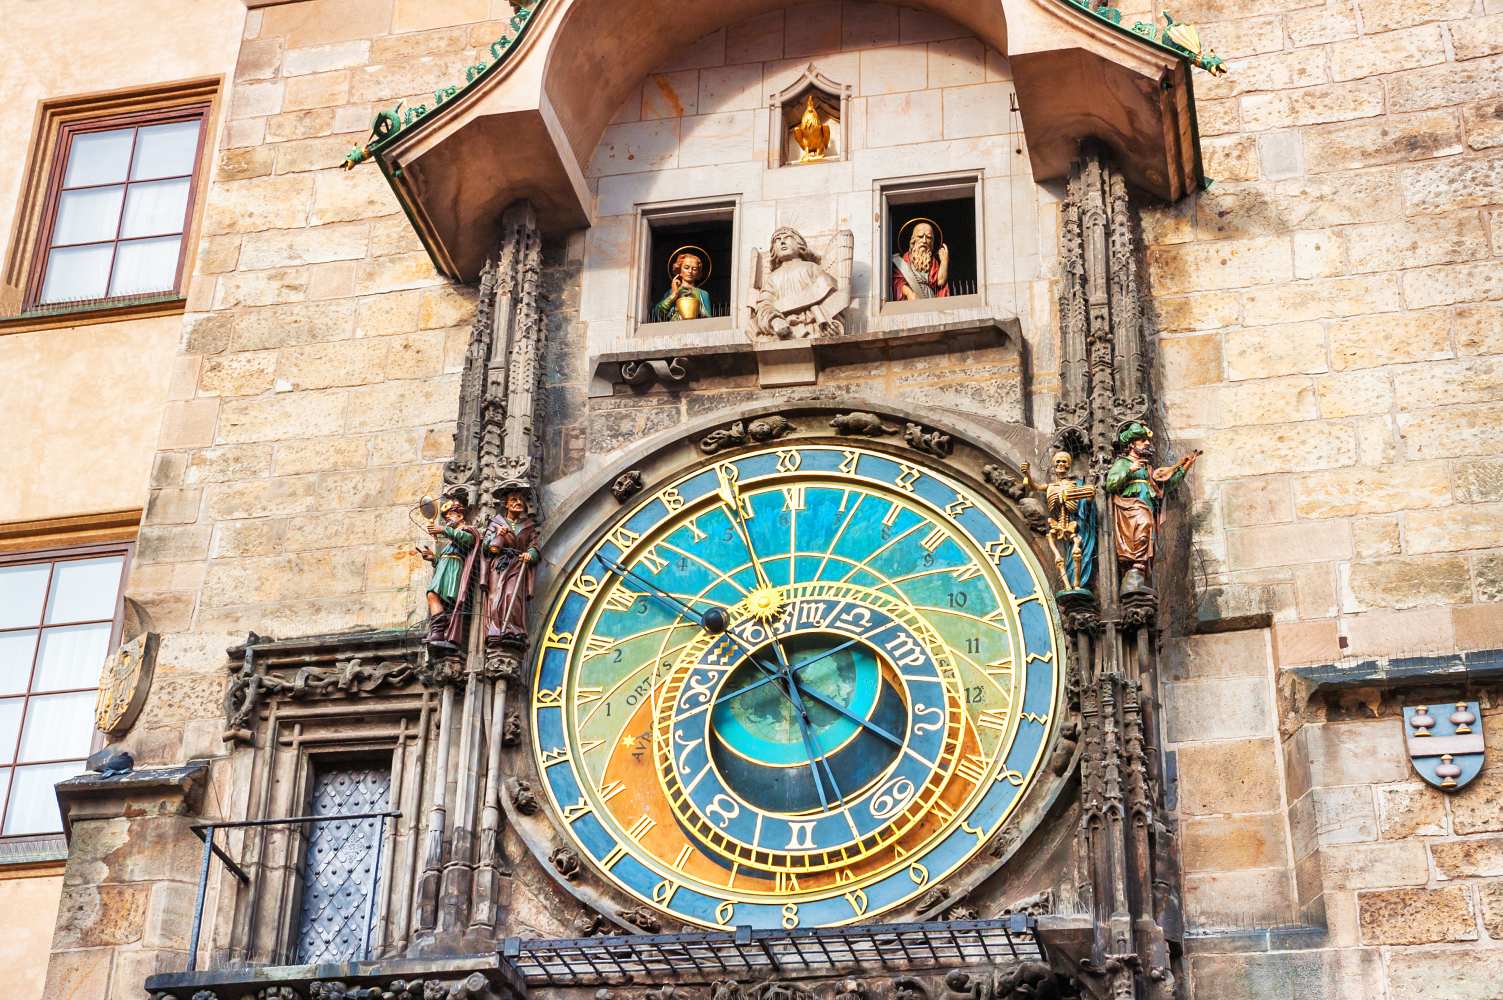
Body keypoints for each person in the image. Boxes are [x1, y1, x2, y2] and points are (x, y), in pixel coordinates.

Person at [1104, 422, 1198, 595]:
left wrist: (1185, 466)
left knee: (1148, 534)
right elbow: (1110, 483)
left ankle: (1138, 573)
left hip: (1147, 505)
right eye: (1142, 440)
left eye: (1147, 440)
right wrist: (1129, 470)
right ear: (1132, 444)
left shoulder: (1147, 468)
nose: (1147, 443)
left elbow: (1165, 486)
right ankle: (1133, 572)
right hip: (1131, 507)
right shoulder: (1123, 463)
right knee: (1143, 525)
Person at [749, 226, 846, 339]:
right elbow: (764, 306)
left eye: (787, 237)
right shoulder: (772, 278)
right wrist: (775, 320)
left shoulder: (812, 268)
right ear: (773, 250)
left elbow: (832, 298)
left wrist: (832, 325)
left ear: (799, 244)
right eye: (777, 240)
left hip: (813, 329)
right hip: (783, 331)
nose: (782, 242)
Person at [1022, 451, 1098, 593]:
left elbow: (1084, 503)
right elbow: (1034, 487)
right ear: (1053, 465)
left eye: (1064, 462)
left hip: (1072, 524)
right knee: (1058, 554)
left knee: (1077, 549)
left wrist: (1088, 498)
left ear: (1069, 465)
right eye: (1058, 462)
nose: (1061, 464)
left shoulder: (1075, 484)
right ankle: (1067, 585)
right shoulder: (1050, 486)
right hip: (1056, 524)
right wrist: (1027, 474)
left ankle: (1076, 583)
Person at [416, 495, 477, 652]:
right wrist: (433, 558)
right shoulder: (451, 537)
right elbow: (445, 558)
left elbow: (469, 540)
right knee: (436, 598)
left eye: (449, 515)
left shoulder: (466, 530)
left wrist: (444, 529)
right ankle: (439, 632)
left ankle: (439, 632)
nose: (447, 519)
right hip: (445, 567)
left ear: (460, 515)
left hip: (454, 568)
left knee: (435, 596)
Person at [483, 488, 541, 649]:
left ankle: (513, 629)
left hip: (517, 563)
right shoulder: (496, 523)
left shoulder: (528, 526)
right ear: (506, 504)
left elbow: (534, 546)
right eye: (514, 500)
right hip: (500, 564)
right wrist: (498, 535)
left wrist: (530, 554)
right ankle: (496, 629)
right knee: (496, 596)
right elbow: (487, 547)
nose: (518, 503)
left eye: (520, 500)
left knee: (512, 595)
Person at [891, 220, 949, 300]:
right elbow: (896, 282)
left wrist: (944, 261)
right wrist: (908, 292)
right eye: (920, 236)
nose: (924, 241)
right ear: (913, 239)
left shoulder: (932, 261)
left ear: (932, 242)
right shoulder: (903, 261)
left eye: (928, 237)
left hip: (930, 299)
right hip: (912, 300)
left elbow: (940, 282)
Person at [654, 248, 712, 321]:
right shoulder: (671, 292)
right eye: (686, 268)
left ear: (698, 273)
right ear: (679, 270)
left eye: (694, 269)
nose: (690, 271)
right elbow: (658, 313)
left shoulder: (703, 294)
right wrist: (674, 295)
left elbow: (708, 320)